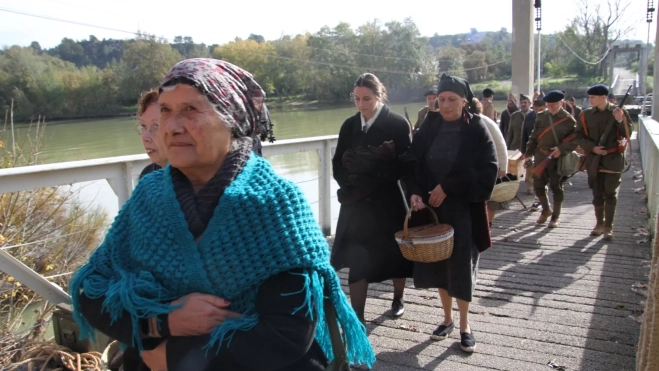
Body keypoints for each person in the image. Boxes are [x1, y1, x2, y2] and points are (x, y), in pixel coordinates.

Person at [69, 58, 375, 371]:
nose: (171, 126)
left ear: (231, 118)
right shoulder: (148, 197)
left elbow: (287, 334)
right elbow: (92, 294)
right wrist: (162, 322)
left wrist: (173, 359)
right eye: (165, 110)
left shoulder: (275, 203)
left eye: (190, 109)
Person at [407, 73, 498, 353]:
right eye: (441, 99)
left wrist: (448, 186)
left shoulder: (476, 128)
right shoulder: (429, 125)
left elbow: (488, 169)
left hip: (462, 209)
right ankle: (446, 320)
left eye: (452, 100)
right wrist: (415, 192)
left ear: (464, 102)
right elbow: (412, 161)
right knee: (439, 266)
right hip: (432, 211)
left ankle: (464, 325)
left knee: (461, 266)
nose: (445, 105)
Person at [331, 72, 414, 323]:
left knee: (396, 253)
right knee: (358, 258)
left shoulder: (398, 124)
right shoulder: (349, 125)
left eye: (366, 99)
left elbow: (406, 165)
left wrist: (376, 170)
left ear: (379, 96)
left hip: (387, 201)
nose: (361, 105)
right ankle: (358, 317)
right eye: (356, 99)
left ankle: (398, 297)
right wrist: (350, 183)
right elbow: (337, 163)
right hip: (355, 202)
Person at [575, 84, 632, 240]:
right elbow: (578, 135)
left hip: (612, 159)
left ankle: (608, 227)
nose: (590, 100)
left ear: (603, 97)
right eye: (589, 97)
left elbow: (628, 133)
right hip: (594, 159)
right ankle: (599, 224)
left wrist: (620, 121)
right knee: (597, 193)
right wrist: (592, 148)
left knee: (611, 193)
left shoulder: (618, 112)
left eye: (593, 97)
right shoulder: (585, 115)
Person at [524, 90, 577, 228]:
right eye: (549, 104)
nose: (551, 107)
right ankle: (546, 209)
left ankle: (555, 217)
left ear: (561, 103)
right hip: (541, 155)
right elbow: (534, 136)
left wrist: (561, 149)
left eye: (554, 104)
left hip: (557, 158)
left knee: (556, 186)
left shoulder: (569, 120)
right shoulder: (541, 116)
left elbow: (575, 140)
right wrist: (528, 153)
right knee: (538, 184)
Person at [470, 98, 509, 225]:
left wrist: (502, 167)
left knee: (492, 199)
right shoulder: (471, 121)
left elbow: (500, 144)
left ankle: (489, 223)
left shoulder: (483, 121)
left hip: (492, 167)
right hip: (480, 168)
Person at [136, 89, 167, 180]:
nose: (145, 137)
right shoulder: (147, 176)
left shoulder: (200, 179)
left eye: (155, 126)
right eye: (144, 126)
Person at [521, 94, 546, 206]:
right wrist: (524, 150)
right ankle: (529, 187)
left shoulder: (549, 117)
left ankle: (539, 197)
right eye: (536, 109)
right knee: (529, 168)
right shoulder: (529, 116)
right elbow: (525, 134)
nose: (537, 112)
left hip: (544, 149)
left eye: (540, 109)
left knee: (541, 173)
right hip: (531, 147)